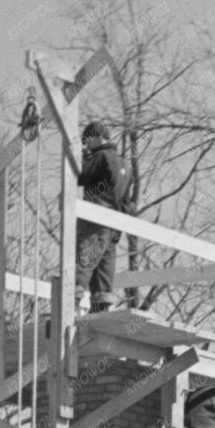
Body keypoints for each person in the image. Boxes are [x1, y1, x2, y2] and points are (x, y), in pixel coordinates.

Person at [74, 120, 128, 314]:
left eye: (87, 141)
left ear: (97, 137)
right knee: (104, 269)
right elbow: (126, 203)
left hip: (95, 220)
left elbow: (80, 177)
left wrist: (80, 156)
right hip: (112, 225)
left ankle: (70, 304)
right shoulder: (123, 164)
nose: (86, 146)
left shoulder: (100, 156)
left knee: (84, 261)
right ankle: (101, 309)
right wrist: (119, 228)